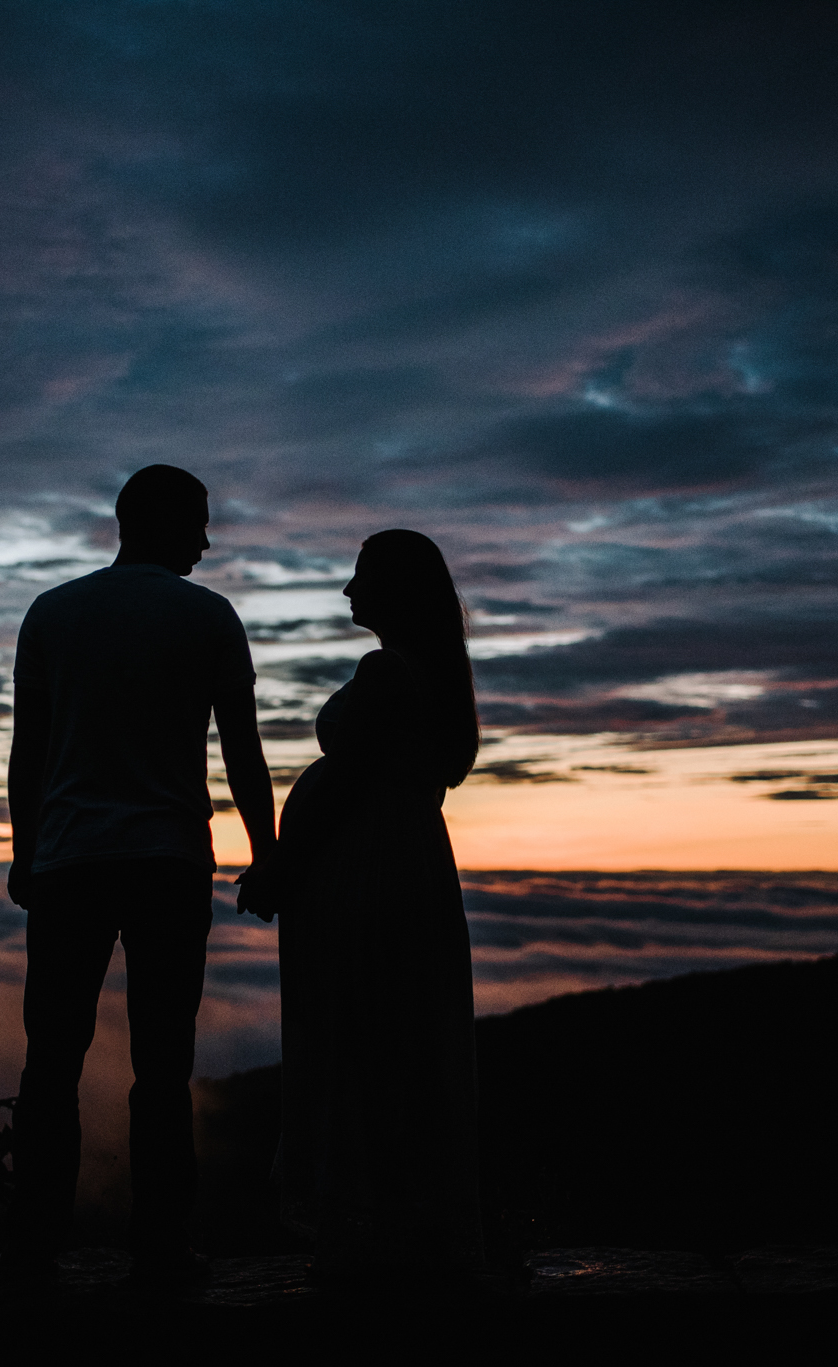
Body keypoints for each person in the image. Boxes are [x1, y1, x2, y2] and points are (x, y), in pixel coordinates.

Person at [0, 464, 278, 1291]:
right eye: (199, 522)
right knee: (163, 1065)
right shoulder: (209, 616)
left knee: (50, 1061)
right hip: (169, 863)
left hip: (69, 863)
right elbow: (241, 749)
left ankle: (32, 1247)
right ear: (162, 522)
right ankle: (159, 1248)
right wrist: (267, 852)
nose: (206, 540)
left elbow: (29, 750)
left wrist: (26, 848)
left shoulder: (51, 612)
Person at [237, 528, 484, 1285]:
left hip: (367, 878)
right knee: (397, 1033)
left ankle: (371, 1227)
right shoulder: (433, 676)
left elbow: (342, 782)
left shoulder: (385, 673)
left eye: (360, 576)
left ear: (396, 589)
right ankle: (400, 1220)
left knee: (359, 1030)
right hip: (405, 868)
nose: (347, 591)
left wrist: (278, 868)